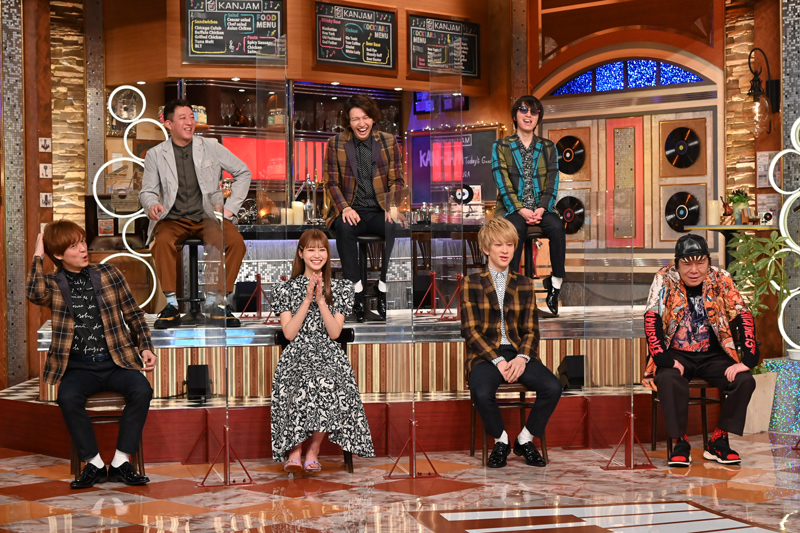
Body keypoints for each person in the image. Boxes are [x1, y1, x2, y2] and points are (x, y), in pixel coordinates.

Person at [26, 220, 157, 489]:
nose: (83, 249)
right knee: (67, 397)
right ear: (59, 255)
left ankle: (121, 461)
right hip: (78, 367)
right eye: (74, 246)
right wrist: (38, 253)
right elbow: (34, 293)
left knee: (142, 390)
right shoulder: (53, 283)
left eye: (83, 242)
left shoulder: (109, 273)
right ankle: (94, 463)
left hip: (115, 362)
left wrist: (145, 346)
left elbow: (133, 314)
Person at [643, 234, 758, 467]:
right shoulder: (664, 278)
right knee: (667, 378)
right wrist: (664, 360)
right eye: (687, 264)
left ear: (708, 261)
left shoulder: (721, 278)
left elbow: (743, 315)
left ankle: (718, 441)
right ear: (677, 264)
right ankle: (681, 442)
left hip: (713, 355)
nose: (694, 270)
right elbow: (651, 318)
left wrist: (748, 360)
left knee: (745, 380)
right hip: (676, 354)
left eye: (700, 262)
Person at [139, 98, 251, 329]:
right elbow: (147, 191)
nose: (190, 122)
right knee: (162, 243)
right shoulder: (155, 154)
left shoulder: (211, 146)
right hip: (173, 219)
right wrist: (152, 205)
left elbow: (243, 172)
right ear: (169, 124)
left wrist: (230, 208)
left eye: (192, 117)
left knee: (235, 242)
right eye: (183, 118)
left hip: (208, 217)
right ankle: (171, 305)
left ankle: (216, 302)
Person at [460, 217, 563, 468]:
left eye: (509, 245)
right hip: (485, 355)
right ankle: (501, 441)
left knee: (553, 386)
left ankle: (525, 440)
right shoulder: (471, 282)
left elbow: (531, 330)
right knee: (481, 391)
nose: (505, 250)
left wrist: (522, 358)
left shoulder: (525, 283)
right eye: (498, 245)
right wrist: (497, 360)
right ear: (486, 248)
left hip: (518, 352)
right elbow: (470, 331)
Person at [270, 229, 375, 473]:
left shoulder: (341, 288)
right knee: (300, 380)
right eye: (311, 249)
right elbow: (289, 334)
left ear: (327, 254)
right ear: (301, 253)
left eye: (322, 249)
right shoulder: (285, 289)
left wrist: (320, 300)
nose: (317, 255)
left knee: (326, 380)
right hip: (297, 352)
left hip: (328, 353)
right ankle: (294, 450)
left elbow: (335, 333)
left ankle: (313, 450)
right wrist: (306, 300)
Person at [324, 94, 405, 322]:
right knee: (344, 228)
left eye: (365, 117)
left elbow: (397, 180)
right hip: (352, 210)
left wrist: (392, 206)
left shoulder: (388, 141)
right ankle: (357, 291)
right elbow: (331, 183)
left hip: (379, 210)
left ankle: (382, 287)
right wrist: (344, 208)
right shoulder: (335, 143)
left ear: (373, 118)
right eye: (355, 119)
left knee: (394, 227)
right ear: (348, 122)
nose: (361, 123)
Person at [492, 95, 566, 315]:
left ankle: (555, 284)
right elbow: (502, 182)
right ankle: (512, 291)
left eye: (534, 112)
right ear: (515, 116)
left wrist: (542, 208)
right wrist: (520, 209)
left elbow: (553, 182)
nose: (528, 115)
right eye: (523, 110)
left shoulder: (548, 147)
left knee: (557, 227)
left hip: (542, 208)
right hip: (512, 208)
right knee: (514, 230)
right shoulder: (501, 146)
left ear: (538, 118)